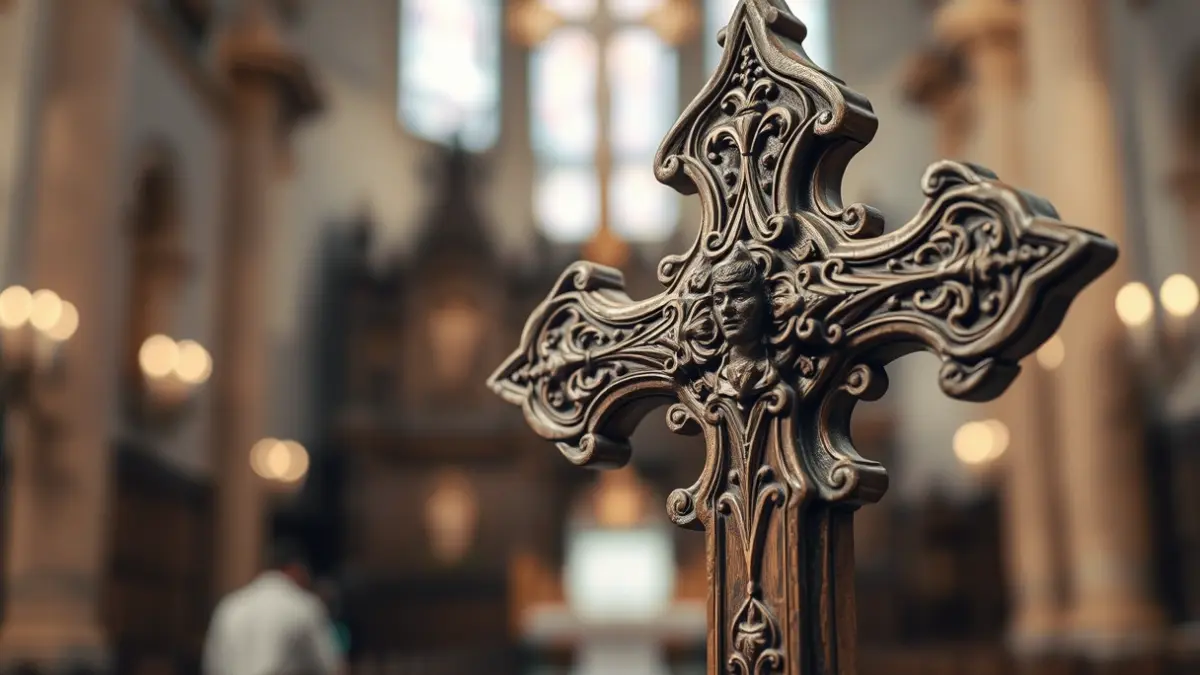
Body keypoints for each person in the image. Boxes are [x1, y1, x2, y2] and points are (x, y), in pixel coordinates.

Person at [202, 541, 342, 675]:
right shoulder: (304, 605)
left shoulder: (229, 605)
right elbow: (331, 666)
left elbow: (212, 666)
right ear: (295, 569)